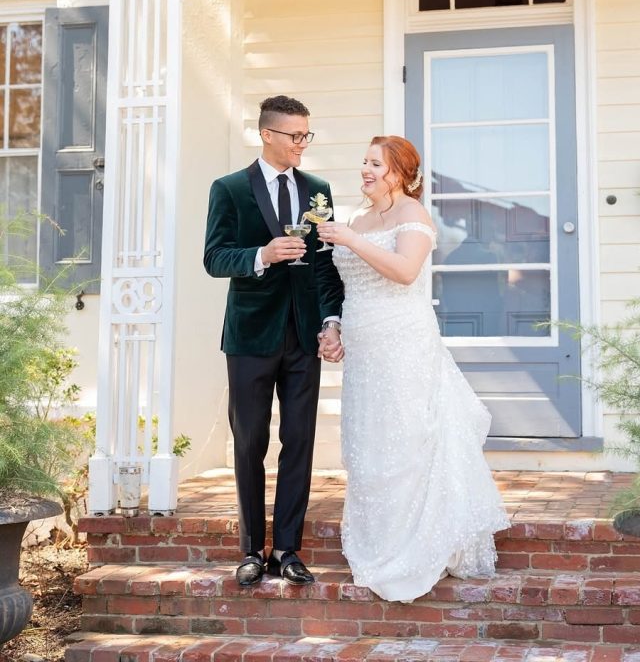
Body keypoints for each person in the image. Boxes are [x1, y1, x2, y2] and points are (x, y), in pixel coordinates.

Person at [316, 135, 509, 602]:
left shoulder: (413, 215)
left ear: (400, 173)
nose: (366, 170)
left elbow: (405, 271)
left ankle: (416, 545)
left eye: (376, 164)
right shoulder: (359, 218)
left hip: (403, 344)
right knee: (369, 443)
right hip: (364, 349)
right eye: (364, 161)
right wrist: (334, 325)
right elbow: (347, 284)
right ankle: (379, 541)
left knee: (405, 440)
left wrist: (351, 239)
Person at [203, 95, 344, 588]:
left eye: (307, 134)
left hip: (303, 336)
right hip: (249, 335)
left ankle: (287, 549)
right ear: (267, 134)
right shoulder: (229, 189)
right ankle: (250, 549)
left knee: (299, 440)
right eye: (294, 135)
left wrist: (330, 320)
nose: (302, 143)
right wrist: (262, 254)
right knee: (249, 441)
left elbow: (325, 265)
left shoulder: (318, 189)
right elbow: (215, 258)